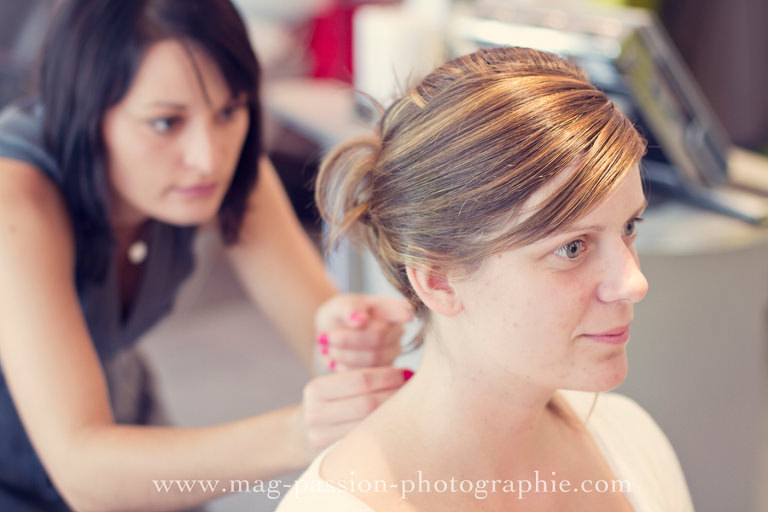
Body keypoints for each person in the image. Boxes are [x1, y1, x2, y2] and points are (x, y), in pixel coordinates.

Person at [0, 0, 414, 510]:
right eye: (165, 123)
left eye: (229, 111)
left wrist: (347, 338)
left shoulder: (224, 167)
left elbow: (317, 330)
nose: (208, 157)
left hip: (116, 413)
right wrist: (301, 431)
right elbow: (83, 474)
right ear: (84, 112)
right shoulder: (14, 197)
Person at [278, 46, 695, 510]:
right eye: (572, 248)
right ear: (439, 281)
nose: (634, 283)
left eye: (629, 227)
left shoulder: (630, 438)